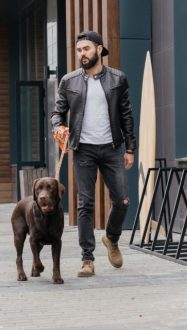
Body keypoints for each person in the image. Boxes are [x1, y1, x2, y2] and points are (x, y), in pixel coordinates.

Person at [51, 31, 136, 277]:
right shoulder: (69, 81)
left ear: (99, 50)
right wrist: (59, 127)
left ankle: (111, 238)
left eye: (86, 49)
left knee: (121, 201)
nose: (82, 54)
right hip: (83, 149)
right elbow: (57, 113)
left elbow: (126, 115)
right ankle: (87, 259)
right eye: (79, 50)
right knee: (85, 204)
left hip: (112, 147)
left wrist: (130, 148)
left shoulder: (118, 79)